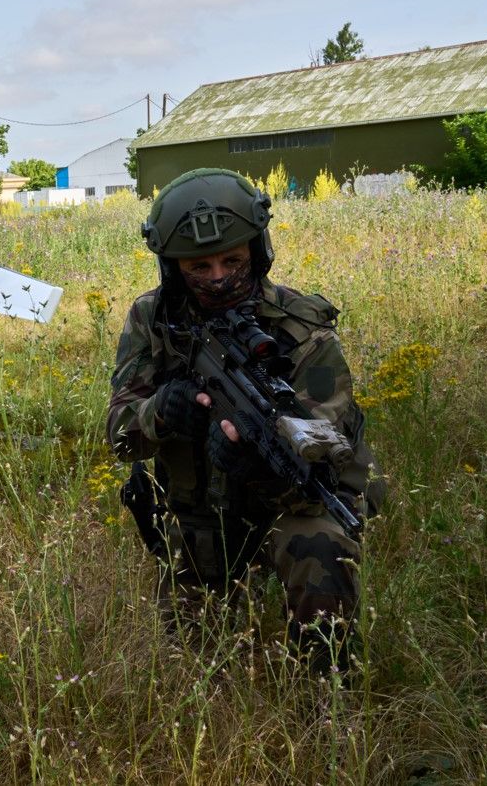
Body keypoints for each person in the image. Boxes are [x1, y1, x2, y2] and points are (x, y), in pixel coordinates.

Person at [107, 168, 382, 672]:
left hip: (288, 502)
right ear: (172, 267)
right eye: (199, 266)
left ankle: (328, 698)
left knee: (320, 541)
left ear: (257, 251)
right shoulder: (153, 318)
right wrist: (161, 413)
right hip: (199, 515)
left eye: (232, 260)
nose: (218, 277)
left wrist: (255, 463)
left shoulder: (303, 329)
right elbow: (119, 436)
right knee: (192, 665)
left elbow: (327, 469)